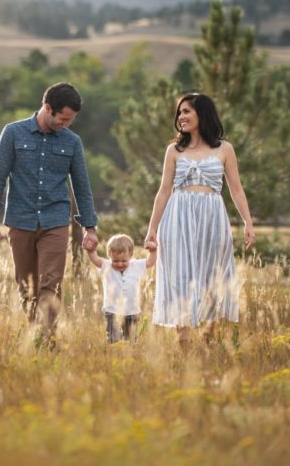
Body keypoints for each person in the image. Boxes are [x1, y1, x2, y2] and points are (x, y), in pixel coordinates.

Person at [0, 82, 99, 346]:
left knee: (51, 284)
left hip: (55, 221)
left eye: (71, 120)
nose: (67, 125)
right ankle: (35, 336)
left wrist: (90, 228)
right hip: (20, 220)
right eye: (63, 119)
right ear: (48, 108)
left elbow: (82, 187)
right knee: (28, 288)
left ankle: (47, 342)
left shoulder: (72, 142)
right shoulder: (13, 133)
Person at [143, 92, 254, 347]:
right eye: (179, 113)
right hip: (177, 217)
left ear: (202, 114)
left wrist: (248, 222)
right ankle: (183, 341)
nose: (180, 117)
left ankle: (208, 337)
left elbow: (236, 188)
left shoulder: (224, 149)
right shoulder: (174, 150)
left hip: (212, 217)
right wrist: (152, 230)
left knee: (213, 274)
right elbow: (164, 190)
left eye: (186, 111)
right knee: (179, 275)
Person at [85, 233, 156, 343]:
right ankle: (115, 355)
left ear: (131, 256)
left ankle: (130, 357)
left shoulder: (136, 266)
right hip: (112, 311)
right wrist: (90, 251)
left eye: (123, 261)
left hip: (131, 311)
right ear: (109, 256)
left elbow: (150, 262)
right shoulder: (107, 266)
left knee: (131, 340)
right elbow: (95, 259)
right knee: (114, 339)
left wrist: (153, 251)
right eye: (115, 261)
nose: (119, 264)